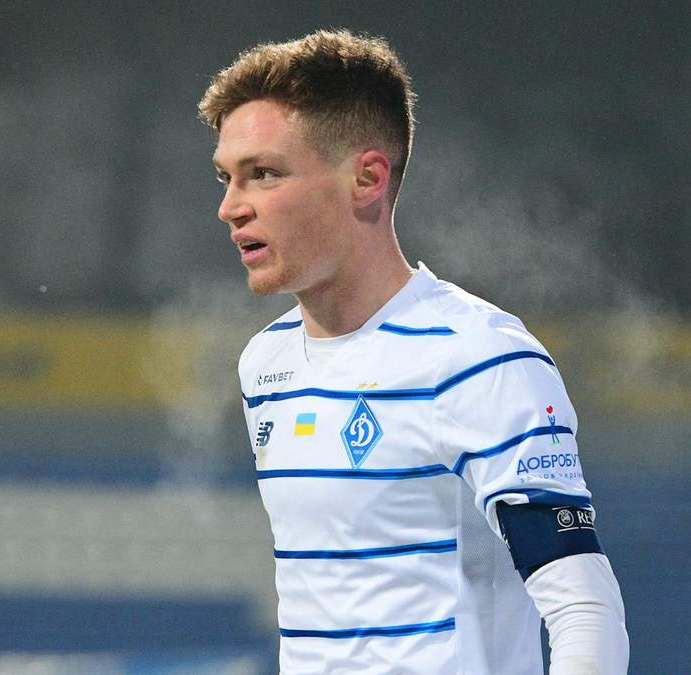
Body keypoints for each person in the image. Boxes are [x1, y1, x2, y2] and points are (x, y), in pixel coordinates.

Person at [198, 29, 629, 674]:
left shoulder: (480, 356)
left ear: (367, 178)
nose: (230, 207)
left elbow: (583, 609)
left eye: (264, 174)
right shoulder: (267, 362)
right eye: (227, 178)